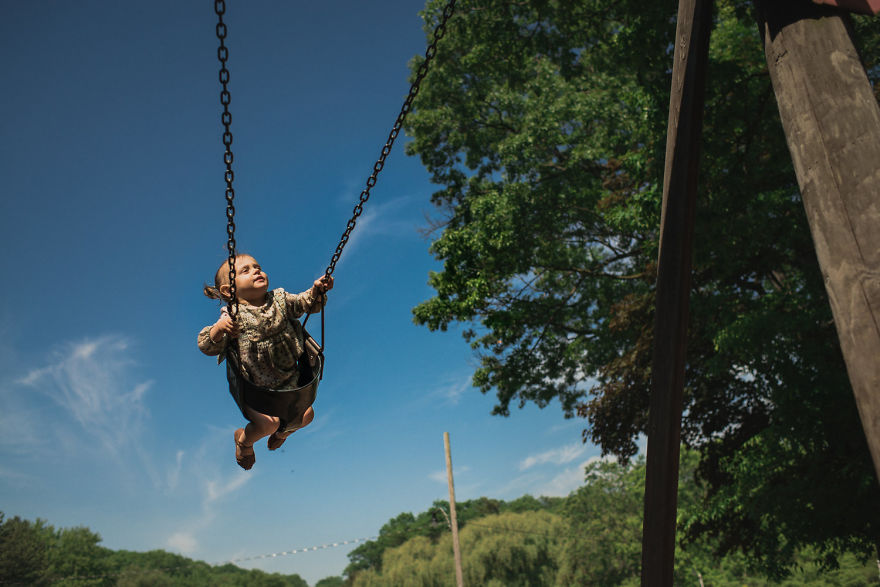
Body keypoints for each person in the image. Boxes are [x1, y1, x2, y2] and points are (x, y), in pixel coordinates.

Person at [198, 254, 333, 470]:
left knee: (307, 415)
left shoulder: (279, 299)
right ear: (228, 291)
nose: (256, 271)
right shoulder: (231, 317)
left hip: (290, 384)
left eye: (257, 267)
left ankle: (283, 432)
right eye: (246, 270)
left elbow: (304, 303)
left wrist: (317, 292)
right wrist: (219, 329)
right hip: (255, 391)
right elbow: (206, 345)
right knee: (267, 424)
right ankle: (244, 442)